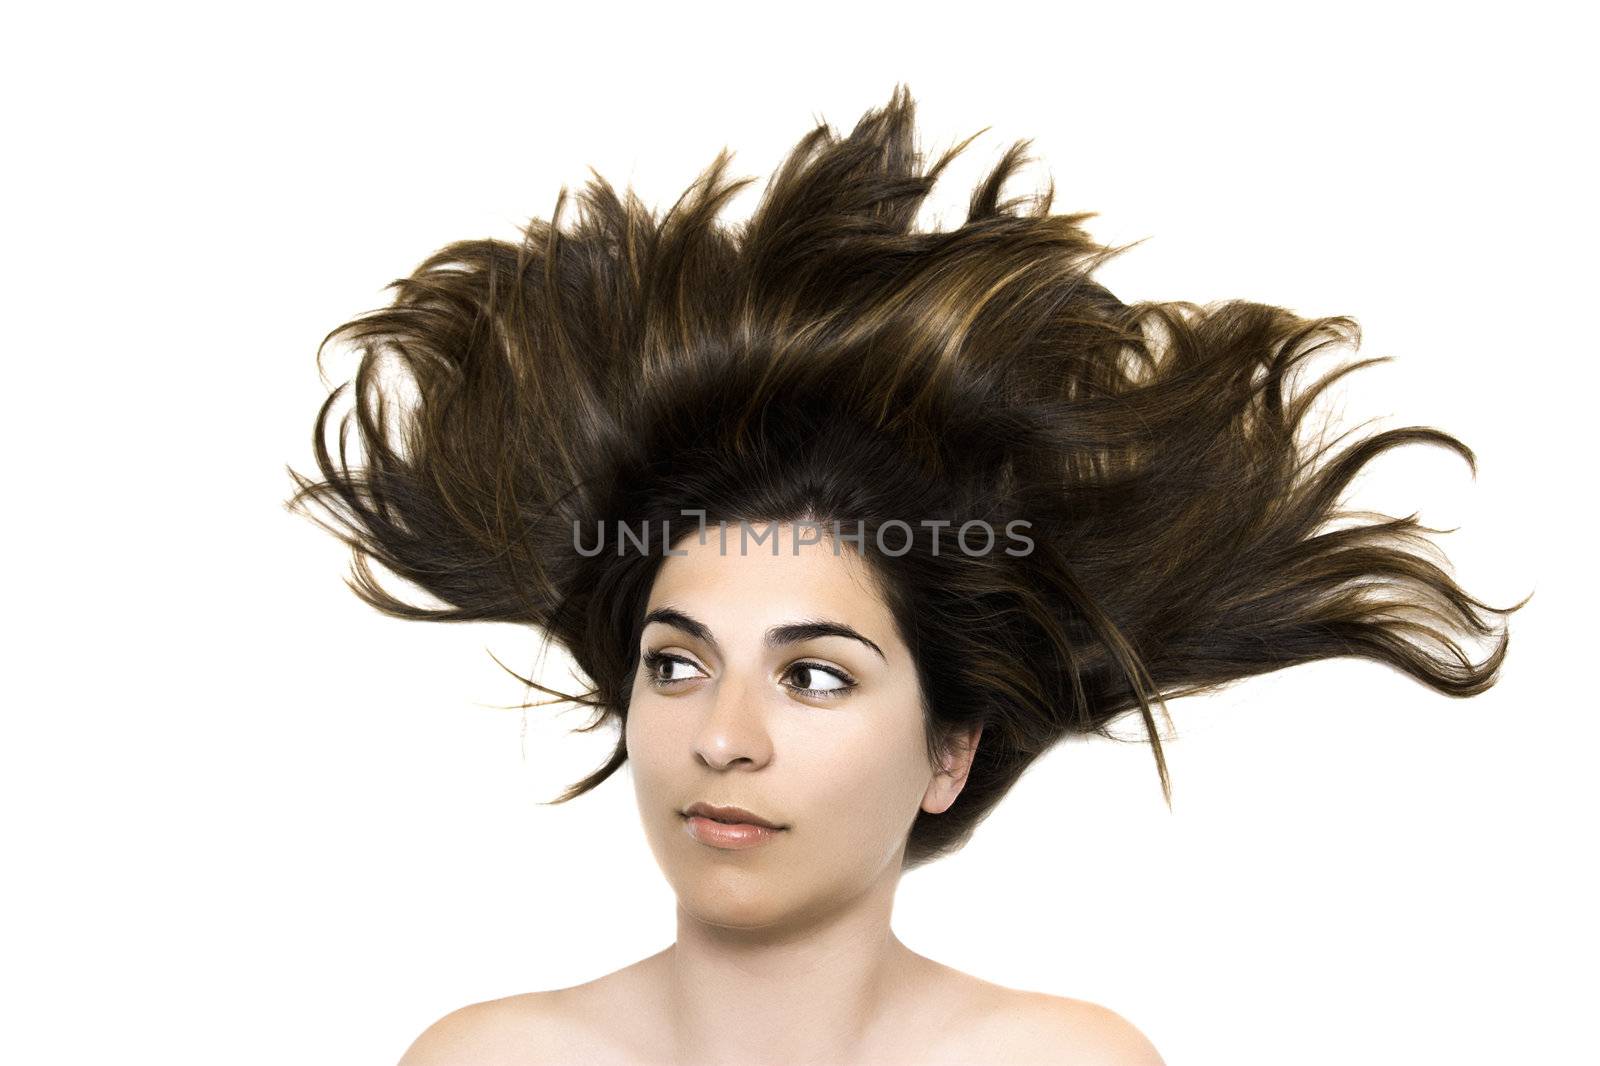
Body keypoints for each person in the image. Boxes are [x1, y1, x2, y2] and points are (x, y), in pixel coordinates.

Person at [285, 83, 1526, 1065]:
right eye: (676, 663)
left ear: (950, 751)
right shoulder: (487, 1058)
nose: (723, 736)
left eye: (814, 675)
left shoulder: (1066, 1063)